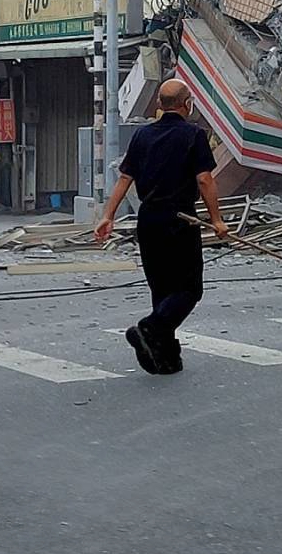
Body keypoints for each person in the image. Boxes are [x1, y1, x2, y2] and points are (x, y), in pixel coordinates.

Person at [95, 80, 229, 375]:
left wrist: (108, 215)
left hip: (149, 220)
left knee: (162, 289)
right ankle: (149, 328)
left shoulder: (143, 135)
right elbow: (205, 179)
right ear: (187, 103)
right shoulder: (194, 135)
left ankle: (165, 357)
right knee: (189, 288)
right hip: (179, 220)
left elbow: (124, 179)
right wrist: (217, 220)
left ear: (159, 104)